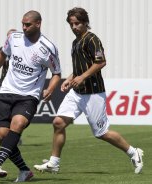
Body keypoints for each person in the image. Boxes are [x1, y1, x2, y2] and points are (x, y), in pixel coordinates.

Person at [34, 7, 144, 174]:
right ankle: (53, 163)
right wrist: (70, 79)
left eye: (77, 23)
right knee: (58, 123)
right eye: (71, 24)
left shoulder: (92, 39)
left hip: (93, 93)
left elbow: (100, 62)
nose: (74, 27)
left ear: (85, 22)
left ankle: (133, 152)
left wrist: (82, 77)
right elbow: (80, 67)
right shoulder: (75, 42)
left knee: (102, 133)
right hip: (77, 92)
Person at [0, 10, 61, 182]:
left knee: (18, 124)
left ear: (38, 24)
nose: (24, 27)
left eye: (28, 24)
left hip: (29, 95)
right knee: (1, 134)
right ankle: (24, 171)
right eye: (23, 24)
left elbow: (56, 72)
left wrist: (50, 88)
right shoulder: (14, 38)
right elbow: (2, 53)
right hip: (6, 91)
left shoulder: (48, 48)